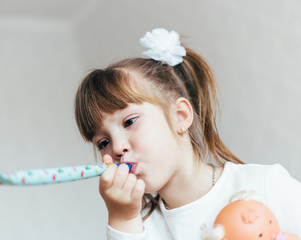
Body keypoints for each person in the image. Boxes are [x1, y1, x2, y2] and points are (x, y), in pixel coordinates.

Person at [74, 28, 301, 239]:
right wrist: (122, 219)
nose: (116, 148)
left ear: (180, 116)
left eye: (130, 121)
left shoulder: (263, 184)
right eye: (103, 142)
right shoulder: (140, 229)